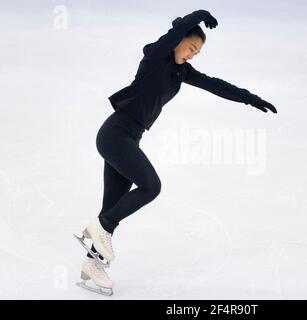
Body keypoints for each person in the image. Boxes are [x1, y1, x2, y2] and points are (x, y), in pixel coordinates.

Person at [76, 9, 277, 295]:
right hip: (114, 134)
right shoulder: (156, 54)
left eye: (198, 52)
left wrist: (250, 99)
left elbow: (216, 85)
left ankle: (91, 265)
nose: (193, 55)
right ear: (179, 40)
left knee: (111, 210)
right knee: (150, 187)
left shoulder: (181, 71)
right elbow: (175, 31)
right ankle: (99, 227)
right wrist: (197, 15)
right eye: (192, 47)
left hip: (130, 139)